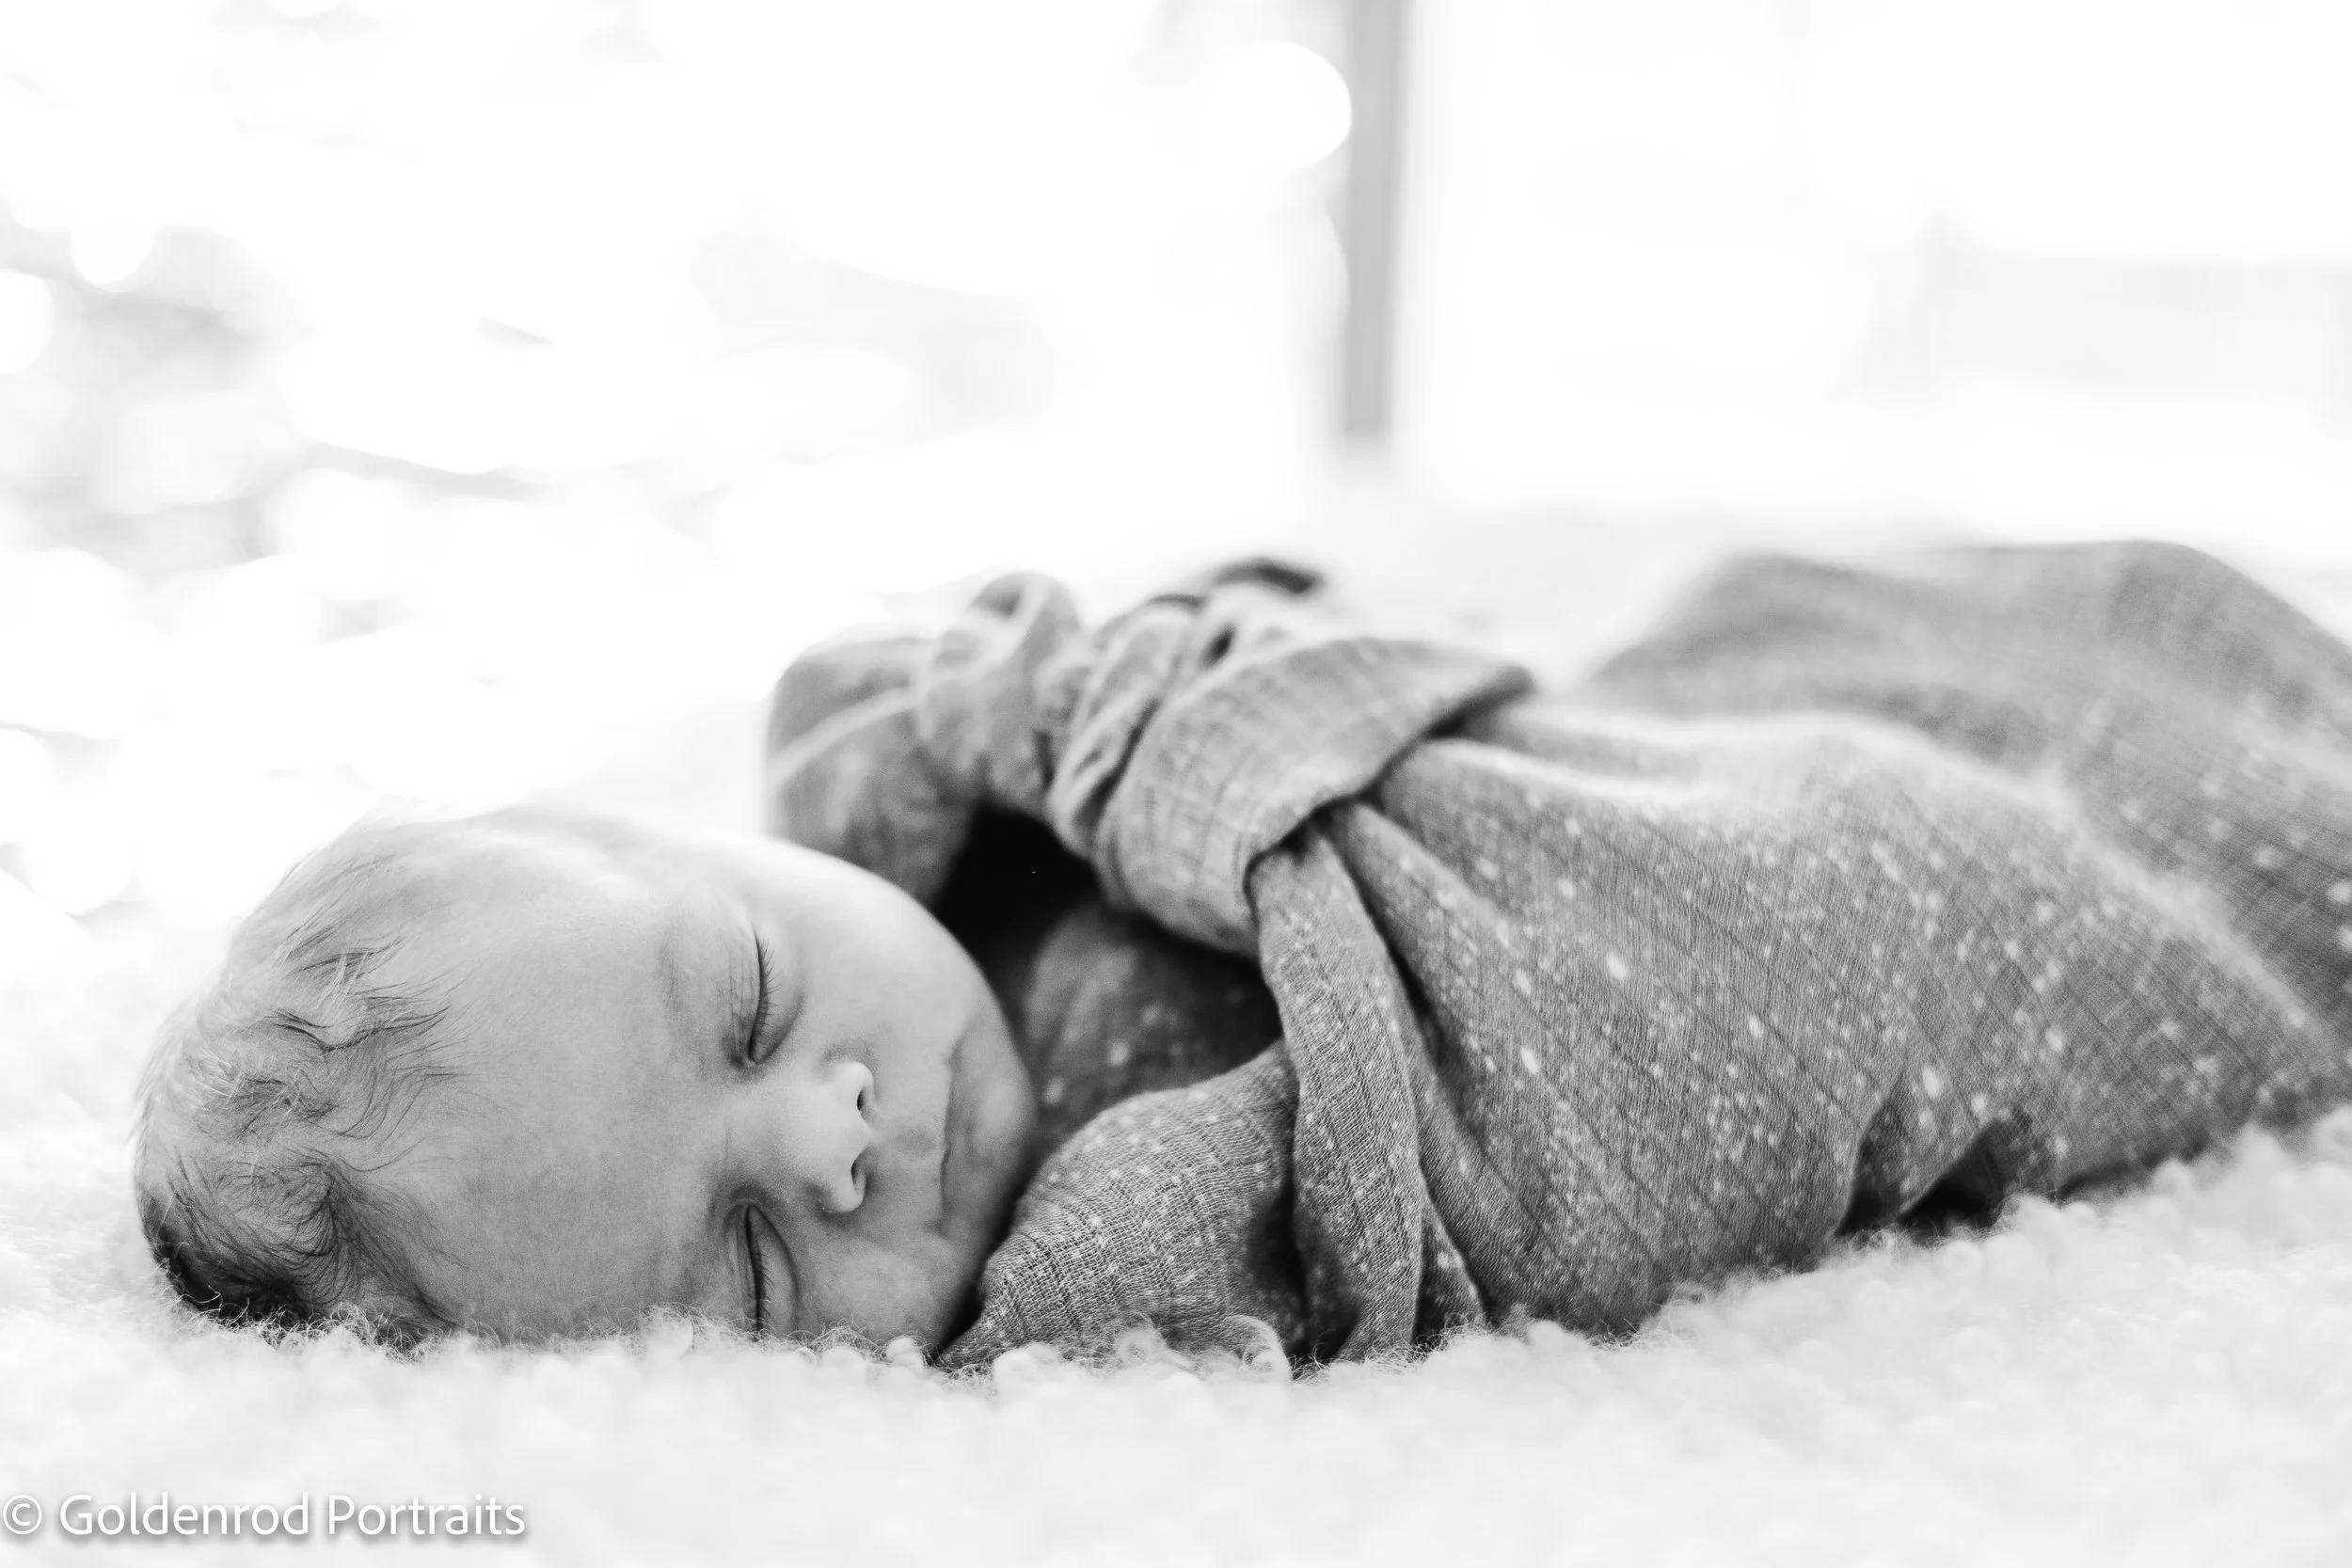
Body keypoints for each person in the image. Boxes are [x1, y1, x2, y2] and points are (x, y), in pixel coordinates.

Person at [135, 542, 2352, 1363]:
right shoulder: (1101, 1270)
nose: (828, 1135)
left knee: (1818, 646)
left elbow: (1266, 633)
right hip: (1626, 917)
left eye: (743, 999)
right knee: (1870, 887)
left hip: (1642, 751)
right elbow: (1504, 1108)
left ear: (707, 834)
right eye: (743, 1263)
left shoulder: (977, 783)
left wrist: (1163, 741)